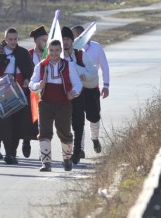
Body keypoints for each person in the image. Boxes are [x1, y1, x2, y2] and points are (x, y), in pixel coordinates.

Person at [29, 39, 82, 172]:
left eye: (57, 50)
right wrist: (38, 85)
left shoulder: (68, 65)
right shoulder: (41, 66)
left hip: (64, 103)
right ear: (48, 50)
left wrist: (74, 92)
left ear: (61, 51)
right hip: (46, 103)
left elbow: (78, 83)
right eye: (51, 50)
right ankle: (46, 163)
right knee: (44, 132)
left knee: (64, 132)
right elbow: (31, 84)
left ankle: (67, 159)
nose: (54, 53)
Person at [0, 27, 33, 165]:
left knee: (17, 124)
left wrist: (27, 79)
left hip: (19, 92)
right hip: (2, 92)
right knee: (5, 123)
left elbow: (30, 71)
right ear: (5, 39)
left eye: (15, 39)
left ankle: (13, 153)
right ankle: (8, 153)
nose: (13, 42)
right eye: (10, 39)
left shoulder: (23, 53)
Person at [61, 26, 97, 164]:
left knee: (78, 123)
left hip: (79, 94)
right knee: (64, 125)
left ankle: (77, 151)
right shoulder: (56, 55)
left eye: (68, 39)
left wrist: (80, 72)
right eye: (63, 39)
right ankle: (67, 151)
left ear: (72, 40)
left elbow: (93, 75)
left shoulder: (81, 55)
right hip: (62, 95)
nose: (65, 42)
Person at [72, 25, 110, 154]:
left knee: (94, 116)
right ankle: (80, 147)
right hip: (77, 88)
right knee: (78, 118)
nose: (74, 39)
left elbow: (104, 66)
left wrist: (106, 85)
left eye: (76, 36)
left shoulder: (96, 47)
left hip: (92, 87)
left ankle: (94, 138)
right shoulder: (71, 51)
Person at [24, 25, 49, 157]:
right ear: (36, 41)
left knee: (44, 123)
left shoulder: (49, 55)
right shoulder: (28, 55)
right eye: (43, 40)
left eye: (47, 39)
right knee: (30, 120)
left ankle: (43, 151)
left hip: (45, 94)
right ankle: (26, 141)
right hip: (31, 93)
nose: (46, 42)